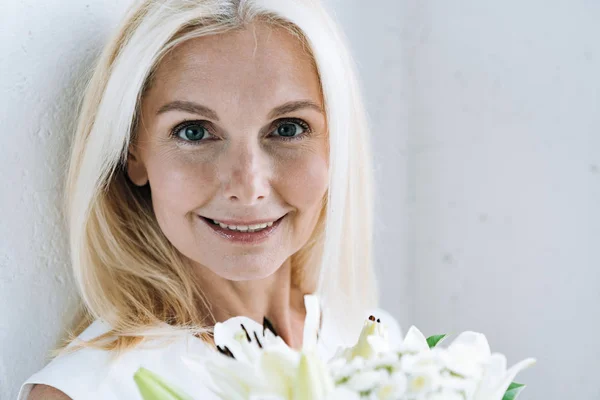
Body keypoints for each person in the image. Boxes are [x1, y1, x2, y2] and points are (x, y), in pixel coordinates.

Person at [19, 0, 402, 398]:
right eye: (195, 132)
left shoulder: (372, 341)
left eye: (287, 128)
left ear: (337, 144)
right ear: (133, 152)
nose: (248, 185)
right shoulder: (91, 390)